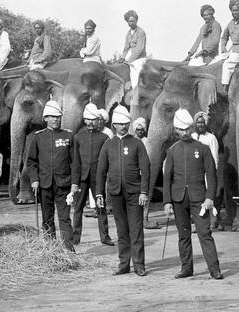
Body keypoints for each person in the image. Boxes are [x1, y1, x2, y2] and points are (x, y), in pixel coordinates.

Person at [162, 109, 222, 280]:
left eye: (187, 129)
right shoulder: (172, 151)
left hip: (199, 198)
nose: (185, 132)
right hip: (179, 198)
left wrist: (210, 197)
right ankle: (186, 268)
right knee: (183, 235)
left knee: (205, 233)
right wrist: (167, 201)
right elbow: (167, 178)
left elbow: (211, 175)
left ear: (192, 128)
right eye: (181, 129)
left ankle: (214, 269)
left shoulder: (202, 149)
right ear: (176, 130)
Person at [97, 106, 151, 276]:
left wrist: (144, 191)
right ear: (113, 125)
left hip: (135, 193)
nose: (124, 126)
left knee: (136, 229)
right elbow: (100, 172)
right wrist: (99, 194)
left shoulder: (137, 143)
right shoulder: (108, 145)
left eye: (126, 123)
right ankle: (124, 264)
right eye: (120, 124)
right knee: (121, 230)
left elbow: (146, 169)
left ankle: (139, 264)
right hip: (115, 193)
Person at [26, 99, 76, 252]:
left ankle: (69, 249)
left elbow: (75, 163)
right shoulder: (38, 137)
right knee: (47, 218)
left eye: (57, 116)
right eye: (52, 116)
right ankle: (50, 249)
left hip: (64, 184)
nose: (55, 119)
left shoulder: (68, 136)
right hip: (44, 184)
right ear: (45, 118)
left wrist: (74, 183)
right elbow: (31, 161)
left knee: (64, 218)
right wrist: (34, 180)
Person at [69, 104, 113, 247]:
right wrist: (74, 182)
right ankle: (75, 238)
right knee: (78, 208)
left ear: (98, 120)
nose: (90, 123)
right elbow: (75, 162)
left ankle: (105, 237)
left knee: (101, 206)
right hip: (81, 178)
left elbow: (107, 161)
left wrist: (105, 177)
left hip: (97, 178)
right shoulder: (77, 137)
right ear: (83, 119)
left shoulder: (104, 137)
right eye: (87, 119)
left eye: (93, 120)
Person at [121, 10, 148, 89]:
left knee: (135, 75)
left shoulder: (141, 32)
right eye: (129, 21)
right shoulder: (128, 34)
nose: (131, 23)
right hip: (130, 57)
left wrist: (129, 60)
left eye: (133, 21)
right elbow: (126, 48)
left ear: (136, 20)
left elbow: (140, 49)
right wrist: (122, 57)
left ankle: (135, 90)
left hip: (139, 58)